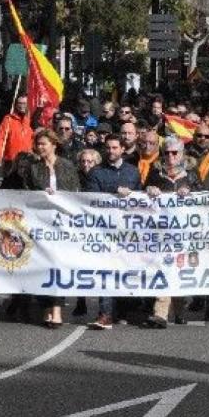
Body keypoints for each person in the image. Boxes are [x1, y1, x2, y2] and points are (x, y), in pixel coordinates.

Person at [23, 130, 81, 328]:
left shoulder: (67, 166)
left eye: (44, 144)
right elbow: (26, 194)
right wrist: (41, 194)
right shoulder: (33, 168)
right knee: (44, 265)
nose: (40, 147)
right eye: (38, 144)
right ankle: (47, 307)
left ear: (54, 144)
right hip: (41, 223)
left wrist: (60, 196)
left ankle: (57, 309)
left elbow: (75, 192)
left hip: (62, 224)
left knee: (59, 265)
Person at [143, 137, 203, 328]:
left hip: (186, 234)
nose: (170, 156)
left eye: (174, 152)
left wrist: (191, 192)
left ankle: (179, 309)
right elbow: (142, 197)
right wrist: (149, 190)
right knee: (165, 268)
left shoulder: (192, 175)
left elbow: (205, 199)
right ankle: (160, 313)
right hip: (162, 234)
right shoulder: (155, 173)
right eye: (167, 152)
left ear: (182, 153)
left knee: (181, 269)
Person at [84, 135, 142, 330]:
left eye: (115, 148)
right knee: (107, 271)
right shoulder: (96, 172)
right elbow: (92, 198)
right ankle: (105, 314)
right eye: (108, 148)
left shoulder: (133, 172)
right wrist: (115, 190)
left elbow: (140, 199)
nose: (111, 151)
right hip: (105, 231)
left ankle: (123, 312)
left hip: (128, 232)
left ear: (122, 150)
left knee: (125, 271)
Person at [0, 95, 34, 172]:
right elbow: (1, 138)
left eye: (24, 103)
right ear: (15, 105)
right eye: (20, 103)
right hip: (11, 159)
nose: (22, 106)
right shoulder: (8, 119)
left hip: (27, 159)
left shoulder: (30, 120)